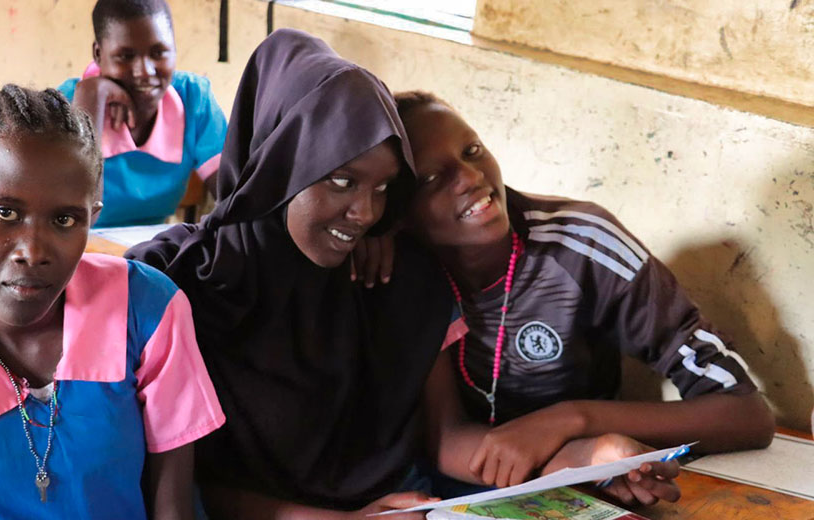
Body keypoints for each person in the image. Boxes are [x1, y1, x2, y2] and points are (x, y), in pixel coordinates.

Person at [125, 30, 678, 519]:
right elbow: (173, 477)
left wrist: (586, 457)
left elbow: (449, 442)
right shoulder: (175, 283)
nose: (365, 213)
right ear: (279, 162)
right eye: (342, 181)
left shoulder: (393, 279)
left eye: (384, 187)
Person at [0, 85, 224, 519]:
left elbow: (172, 504)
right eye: (4, 213)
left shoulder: (147, 308)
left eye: (65, 220)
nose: (33, 250)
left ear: (93, 216)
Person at [386, 90, 774, 498]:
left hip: (582, 485)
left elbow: (746, 413)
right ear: (398, 214)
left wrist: (574, 420)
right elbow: (446, 441)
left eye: (473, 150)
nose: (470, 176)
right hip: (472, 483)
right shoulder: (407, 273)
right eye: (432, 178)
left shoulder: (584, 248)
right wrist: (579, 460)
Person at [59, 0, 227, 227]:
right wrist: (92, 101)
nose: (145, 72)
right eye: (126, 56)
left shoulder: (193, 97)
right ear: (98, 54)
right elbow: (77, 215)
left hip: (152, 251)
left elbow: (231, 194)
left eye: (158, 52)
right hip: (79, 252)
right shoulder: (65, 103)